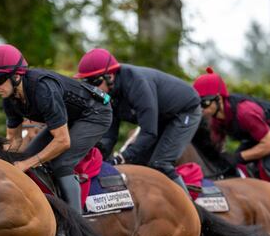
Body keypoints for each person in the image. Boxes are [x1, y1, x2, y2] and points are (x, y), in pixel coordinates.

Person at [0, 44, 113, 212]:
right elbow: (15, 139)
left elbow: (63, 141)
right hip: (69, 117)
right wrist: (3, 163)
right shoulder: (9, 99)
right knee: (26, 156)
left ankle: (77, 222)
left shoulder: (43, 89)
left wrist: (27, 164)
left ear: (17, 76)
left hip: (95, 114)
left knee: (62, 163)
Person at [75, 48, 202, 194]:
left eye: (93, 82)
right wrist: (100, 158)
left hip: (185, 110)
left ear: (110, 76)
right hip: (162, 114)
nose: (91, 89)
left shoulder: (137, 84)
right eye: (86, 83)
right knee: (137, 163)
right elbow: (109, 136)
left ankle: (191, 212)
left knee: (160, 163)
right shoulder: (108, 94)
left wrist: (121, 157)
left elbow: (149, 132)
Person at [192, 66, 270, 194]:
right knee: (236, 165)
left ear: (218, 99)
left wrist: (238, 157)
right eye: (197, 104)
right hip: (264, 134)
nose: (200, 108)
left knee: (268, 165)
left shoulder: (245, 112)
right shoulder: (215, 119)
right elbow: (218, 149)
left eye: (204, 103)